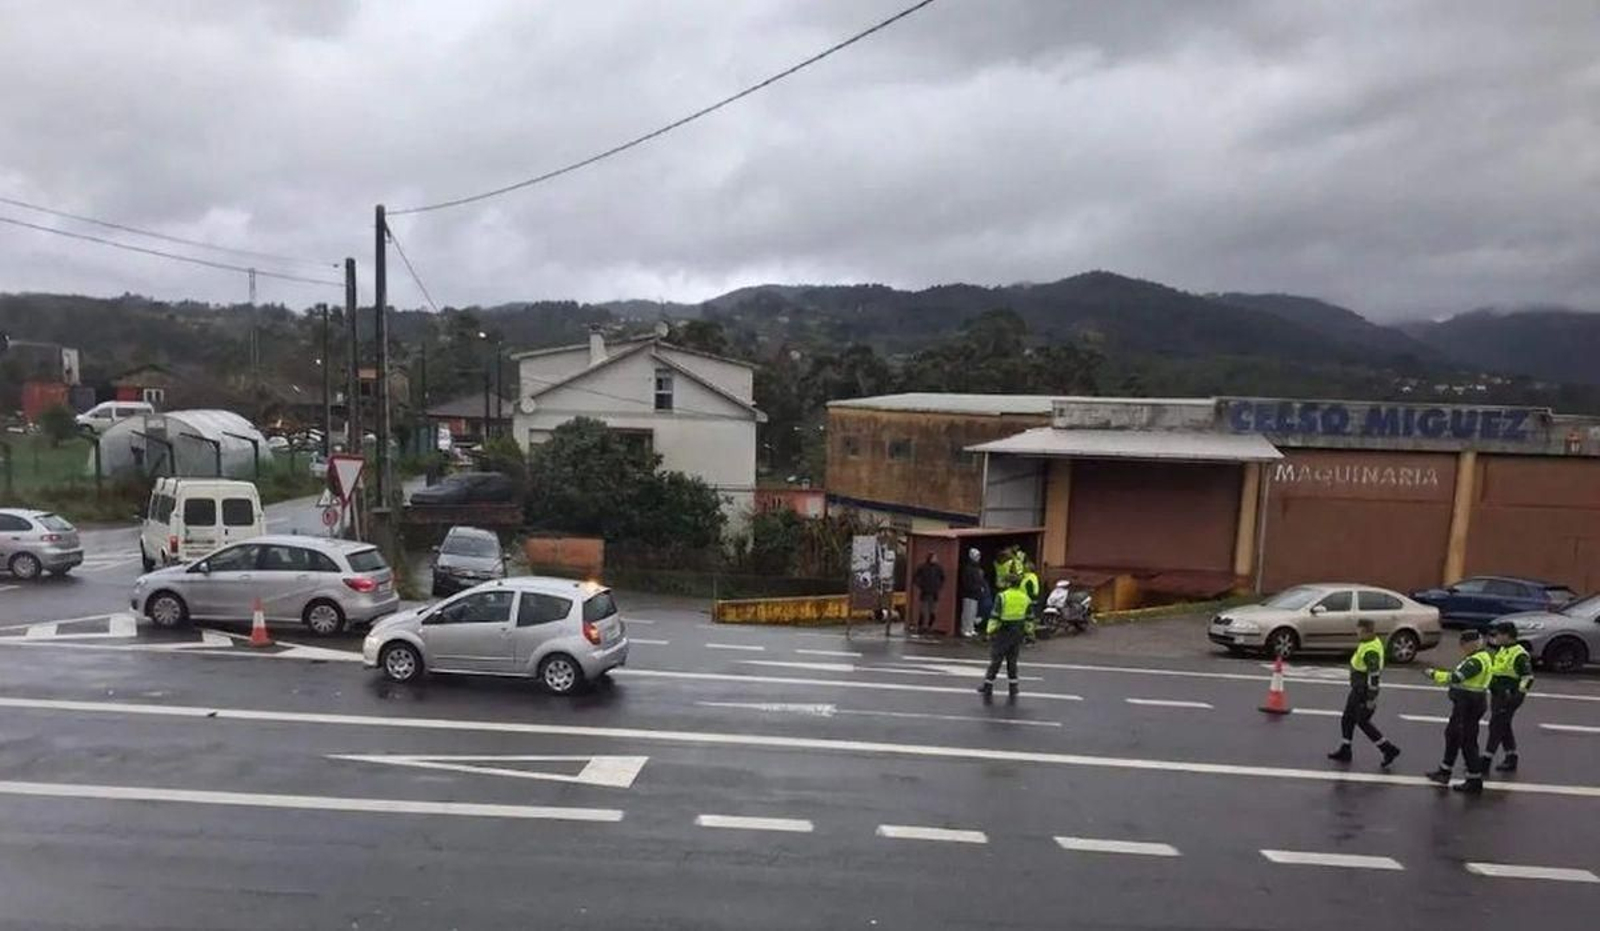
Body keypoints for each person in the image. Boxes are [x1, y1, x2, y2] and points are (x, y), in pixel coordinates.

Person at [1423, 629, 1494, 794]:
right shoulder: (1476, 657)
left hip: (1469, 704)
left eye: (1463, 644)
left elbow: (1457, 677)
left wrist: (1434, 674)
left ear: (1471, 644)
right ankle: (1444, 771)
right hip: (1467, 703)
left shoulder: (1476, 661)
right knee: (1452, 735)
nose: (1461, 648)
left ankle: (1474, 779)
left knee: (1467, 741)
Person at [1327, 619, 1401, 767]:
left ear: (1367, 631)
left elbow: (1373, 675)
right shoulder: (1368, 642)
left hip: (1363, 690)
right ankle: (1346, 748)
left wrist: (1371, 698)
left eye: (1359, 631)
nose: (1357, 633)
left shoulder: (1370, 650)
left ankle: (1388, 749)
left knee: (1362, 721)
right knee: (1347, 718)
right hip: (1357, 688)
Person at [1485, 620, 1534, 772]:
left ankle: (1486, 759)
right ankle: (1511, 757)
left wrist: (1518, 695)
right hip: (1498, 694)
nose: (1496, 637)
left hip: (1509, 696)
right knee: (1504, 725)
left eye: (1498, 634)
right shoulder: (1503, 649)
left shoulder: (1519, 654)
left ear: (1507, 635)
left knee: (1496, 725)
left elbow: (1528, 677)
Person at [978, 575, 1033, 701]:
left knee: (996, 658)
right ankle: (1013, 687)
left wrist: (989, 632)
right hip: (1018, 631)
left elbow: (995, 616)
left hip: (1004, 631)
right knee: (1012, 660)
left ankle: (988, 685)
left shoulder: (1002, 596)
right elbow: (1029, 618)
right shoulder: (1025, 598)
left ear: (1008, 584)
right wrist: (1030, 634)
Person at [911, 553, 945, 635]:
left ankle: (930, 627)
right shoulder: (923, 567)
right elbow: (915, 576)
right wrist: (920, 585)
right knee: (923, 610)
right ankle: (920, 627)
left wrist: (938, 586)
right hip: (925, 592)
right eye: (934, 557)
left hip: (934, 593)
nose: (936, 559)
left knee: (932, 611)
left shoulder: (938, 568)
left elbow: (942, 577)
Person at [958, 548, 988, 639]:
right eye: (977, 556)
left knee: (973, 612)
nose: (978, 558)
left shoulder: (976, 568)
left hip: (976, 594)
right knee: (967, 612)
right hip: (969, 593)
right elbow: (967, 582)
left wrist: (981, 587)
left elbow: (980, 580)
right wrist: (976, 588)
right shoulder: (968, 568)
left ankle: (971, 628)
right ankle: (965, 629)